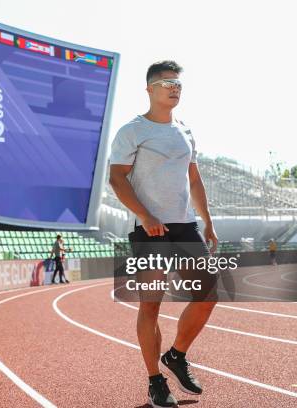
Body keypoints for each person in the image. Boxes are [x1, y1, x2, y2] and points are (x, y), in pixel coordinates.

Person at [109, 61, 218, 407]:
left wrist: (208, 221)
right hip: (149, 230)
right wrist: (145, 214)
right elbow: (117, 178)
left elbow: (195, 180)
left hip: (185, 226)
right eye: (167, 83)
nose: (174, 88)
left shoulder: (185, 131)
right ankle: (155, 381)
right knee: (151, 306)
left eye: (179, 85)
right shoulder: (132, 131)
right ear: (150, 89)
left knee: (209, 295)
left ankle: (176, 355)